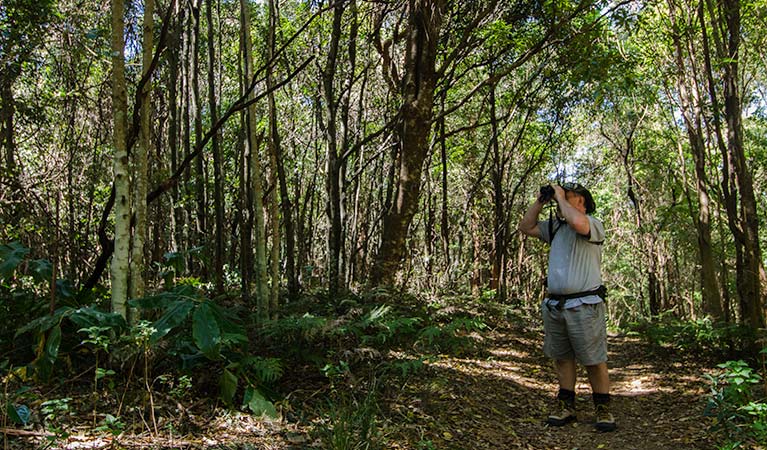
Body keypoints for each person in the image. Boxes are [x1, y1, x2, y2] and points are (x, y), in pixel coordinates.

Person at [517, 182, 616, 432]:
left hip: (585, 304)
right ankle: (566, 405)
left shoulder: (592, 224)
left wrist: (560, 197)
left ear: (581, 202)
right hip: (556, 306)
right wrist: (542, 201)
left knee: (593, 359)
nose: (561, 200)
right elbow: (525, 227)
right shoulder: (556, 228)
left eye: (569, 197)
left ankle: (603, 408)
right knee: (562, 357)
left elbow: (578, 224)